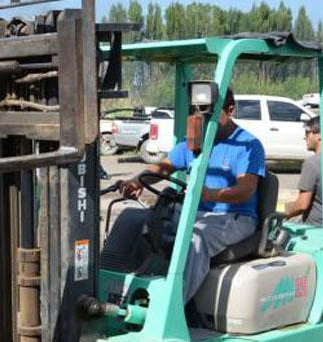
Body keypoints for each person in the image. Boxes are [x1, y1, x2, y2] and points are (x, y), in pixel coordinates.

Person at [111, 87, 265, 303]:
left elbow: (244, 190)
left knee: (193, 238)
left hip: (235, 217)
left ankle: (173, 308)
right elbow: (164, 167)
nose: (202, 119)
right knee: (135, 220)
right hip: (197, 211)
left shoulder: (248, 145)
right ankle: (123, 291)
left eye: (210, 114)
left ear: (230, 110)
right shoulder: (195, 141)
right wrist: (138, 180)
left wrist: (207, 194)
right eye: (198, 112)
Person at [283, 115, 322, 226]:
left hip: (316, 229)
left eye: (307, 133)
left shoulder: (312, 163)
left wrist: (285, 214)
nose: (304, 137)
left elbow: (302, 204)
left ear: (319, 135)